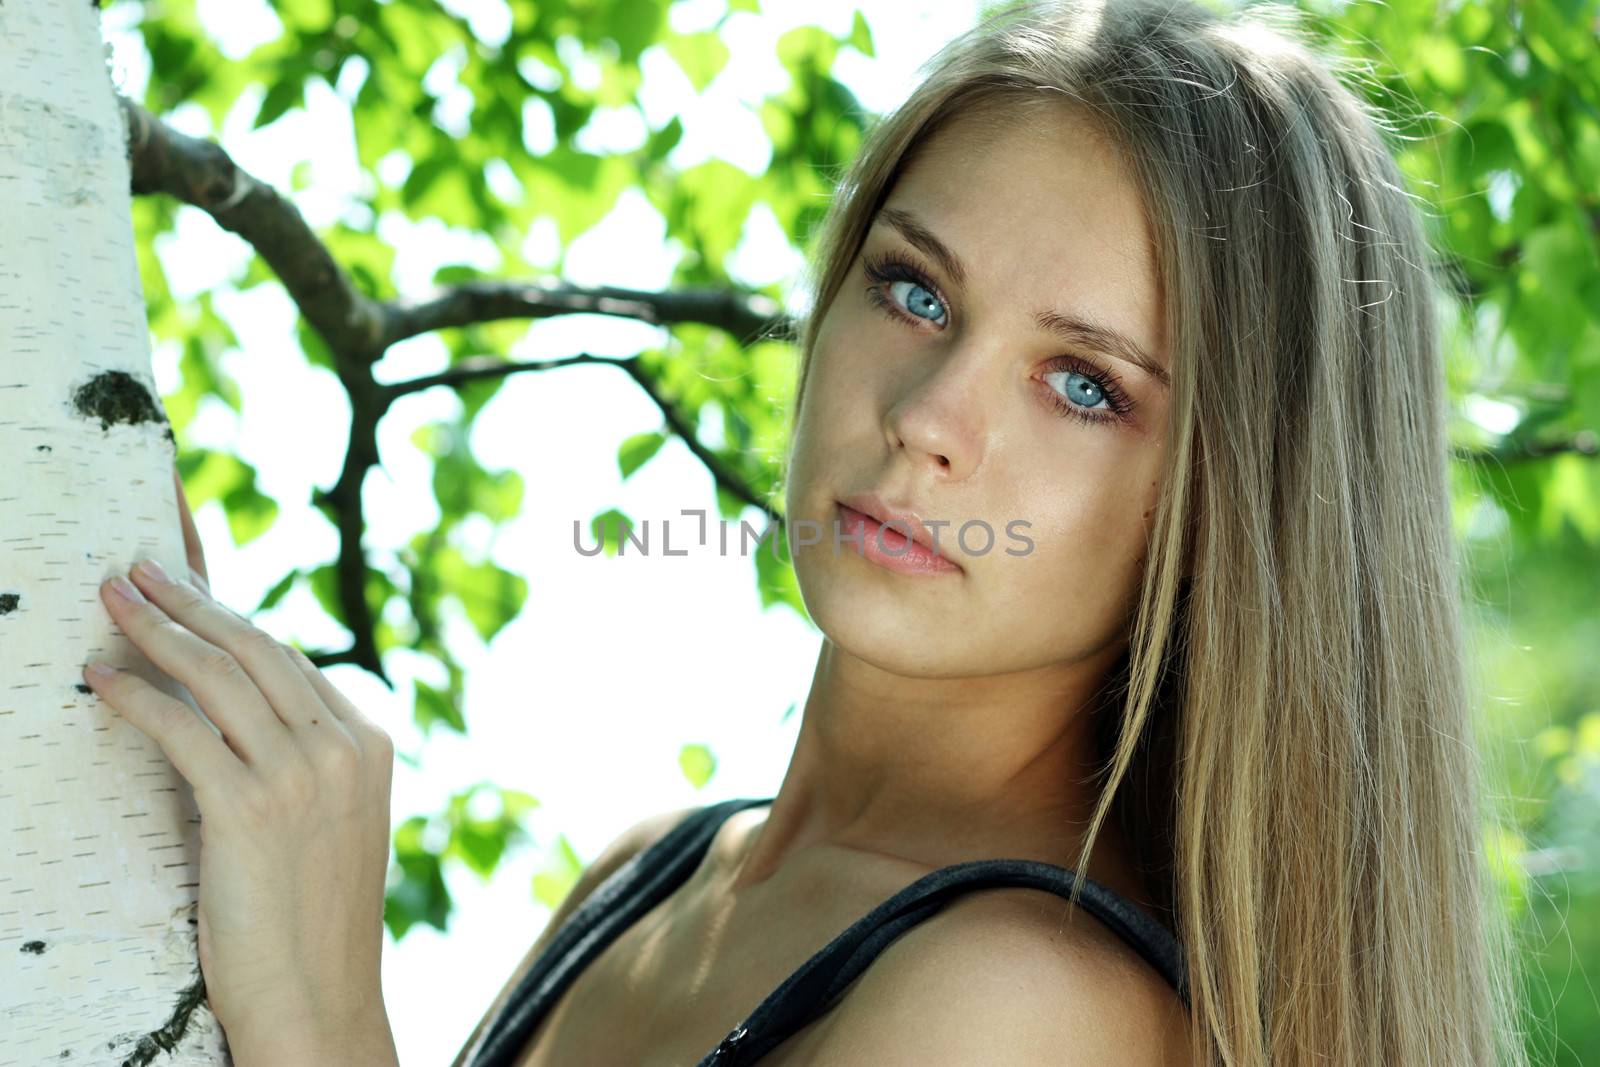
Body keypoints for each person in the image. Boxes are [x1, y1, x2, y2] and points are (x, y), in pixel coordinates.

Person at [445, 0, 1531, 1064]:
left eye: (1082, 386)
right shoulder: (650, 876)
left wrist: (305, 1005)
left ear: (1228, 514)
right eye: (914, 292)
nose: (925, 420)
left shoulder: (1021, 1005)